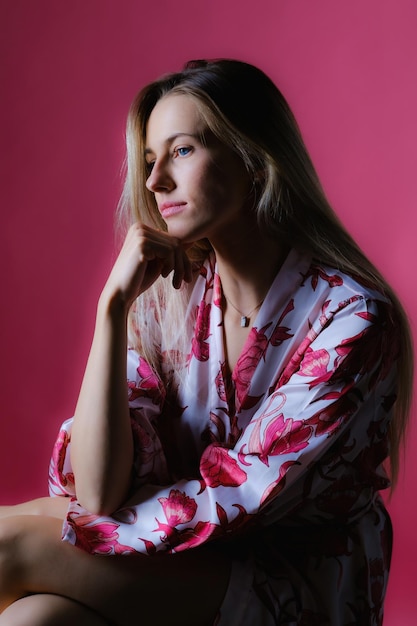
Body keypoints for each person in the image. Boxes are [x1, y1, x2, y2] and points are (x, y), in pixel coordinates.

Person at [0, 59, 413, 626]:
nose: (155, 182)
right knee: (32, 620)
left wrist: (44, 524)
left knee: (8, 547)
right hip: (179, 571)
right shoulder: (168, 298)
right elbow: (96, 491)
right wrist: (111, 309)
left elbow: (239, 500)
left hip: (291, 596)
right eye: (150, 160)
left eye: (183, 150)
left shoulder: (353, 320)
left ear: (254, 159)